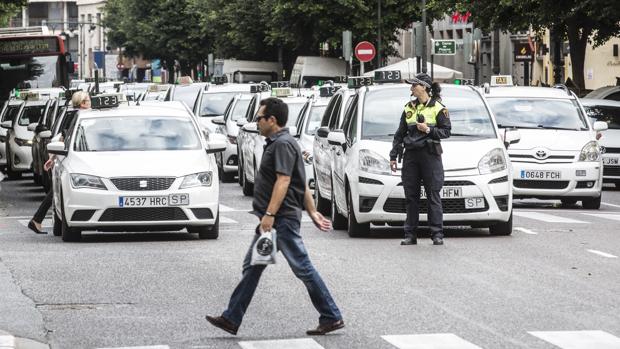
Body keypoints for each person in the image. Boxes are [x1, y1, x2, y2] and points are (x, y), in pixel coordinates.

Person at [205, 97, 344, 336]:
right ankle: (231, 317)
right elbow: (300, 182)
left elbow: (285, 181)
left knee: (302, 268)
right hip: (275, 220)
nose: (256, 122)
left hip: (280, 220)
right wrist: (312, 211)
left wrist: (269, 215)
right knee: (253, 267)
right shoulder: (282, 143)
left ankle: (331, 315)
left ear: (272, 120)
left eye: (260, 118)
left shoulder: (282, 144)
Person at [389, 73, 451, 246]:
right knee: (411, 196)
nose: (411, 88)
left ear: (424, 87)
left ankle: (437, 234)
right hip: (411, 157)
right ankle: (410, 235)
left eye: (414, 85)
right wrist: (393, 156)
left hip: (430, 155)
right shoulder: (408, 108)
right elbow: (399, 134)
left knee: (433, 195)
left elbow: (446, 132)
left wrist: (428, 130)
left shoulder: (439, 108)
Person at [27, 91, 91, 234]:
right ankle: (37, 220)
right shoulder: (80, 116)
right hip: (74, 158)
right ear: (82, 103)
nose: (90, 102)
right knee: (56, 191)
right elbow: (64, 139)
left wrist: (52, 158)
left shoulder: (72, 116)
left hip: (71, 157)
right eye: (88, 100)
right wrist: (52, 158)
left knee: (54, 191)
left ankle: (37, 220)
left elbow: (62, 138)